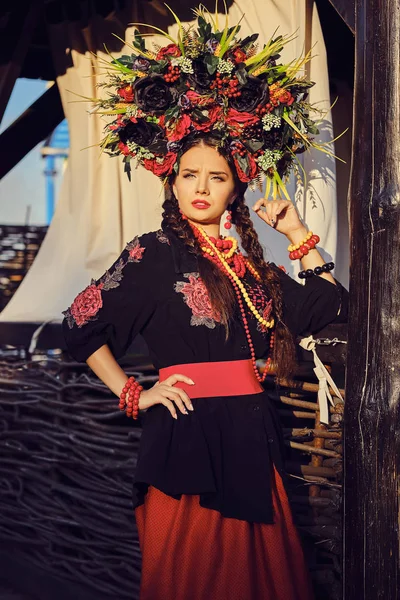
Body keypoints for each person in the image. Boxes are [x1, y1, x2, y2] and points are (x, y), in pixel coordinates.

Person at [62, 9, 348, 599]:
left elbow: (326, 307)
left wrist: (297, 234)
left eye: (215, 177)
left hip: (251, 439)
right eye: (188, 173)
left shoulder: (248, 268)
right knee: (188, 578)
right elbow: (79, 325)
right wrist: (133, 391)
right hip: (186, 441)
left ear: (235, 186)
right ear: (170, 179)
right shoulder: (152, 254)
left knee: (259, 583)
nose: (199, 187)